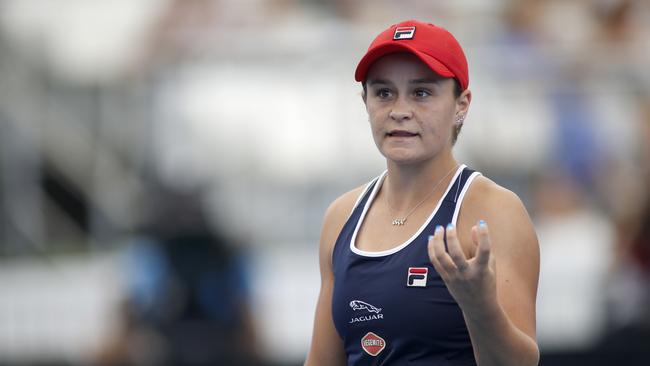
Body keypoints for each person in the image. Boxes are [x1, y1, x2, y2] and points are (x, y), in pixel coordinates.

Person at [305, 20, 540, 365]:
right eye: (384, 93)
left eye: (422, 93)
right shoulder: (341, 217)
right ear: (365, 102)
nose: (400, 111)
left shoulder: (494, 210)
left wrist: (479, 306)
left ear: (462, 105)